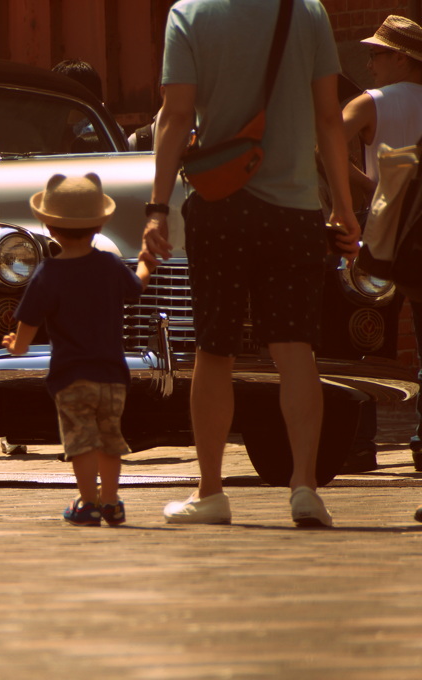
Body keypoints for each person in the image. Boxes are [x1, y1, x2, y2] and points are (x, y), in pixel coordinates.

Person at [141, 0, 361, 527]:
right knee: (295, 350)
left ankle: (211, 492)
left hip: (219, 209)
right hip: (296, 210)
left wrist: (156, 209)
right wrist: (345, 208)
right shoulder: (307, 11)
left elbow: (174, 117)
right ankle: (304, 487)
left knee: (214, 349)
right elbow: (329, 117)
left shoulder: (189, 15)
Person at [3, 173, 155, 526]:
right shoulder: (110, 265)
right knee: (109, 440)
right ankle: (112, 502)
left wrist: (16, 345)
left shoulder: (47, 273)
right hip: (113, 376)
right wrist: (147, 261)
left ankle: (87, 502)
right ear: (100, 224)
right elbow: (137, 286)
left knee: (82, 441)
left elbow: (27, 328)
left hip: (72, 377)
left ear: (48, 226)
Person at [341, 16, 422, 473]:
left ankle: (359, 441)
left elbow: (323, 138)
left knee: (366, 334)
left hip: (383, 233)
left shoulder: (372, 103)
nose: (369, 62)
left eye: (377, 53)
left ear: (401, 58)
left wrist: (367, 187)